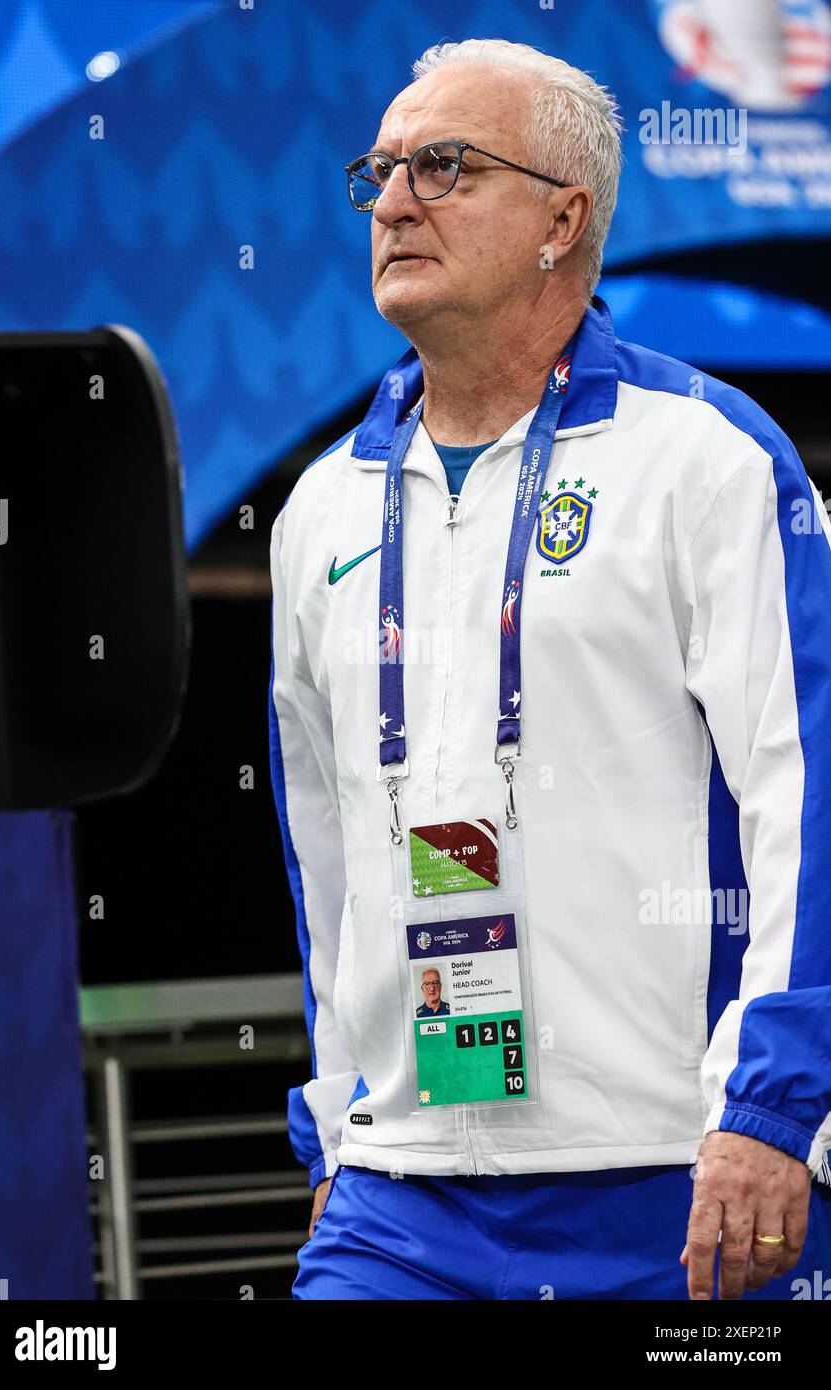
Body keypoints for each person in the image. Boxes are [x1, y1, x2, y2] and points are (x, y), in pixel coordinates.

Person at [268, 38, 831, 1299]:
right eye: (380, 172)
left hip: (675, 1179)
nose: (395, 200)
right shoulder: (320, 507)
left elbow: (810, 793)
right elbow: (318, 842)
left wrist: (771, 1109)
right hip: (397, 1200)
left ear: (560, 219)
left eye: (445, 166)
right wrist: (338, 1119)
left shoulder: (707, 459)